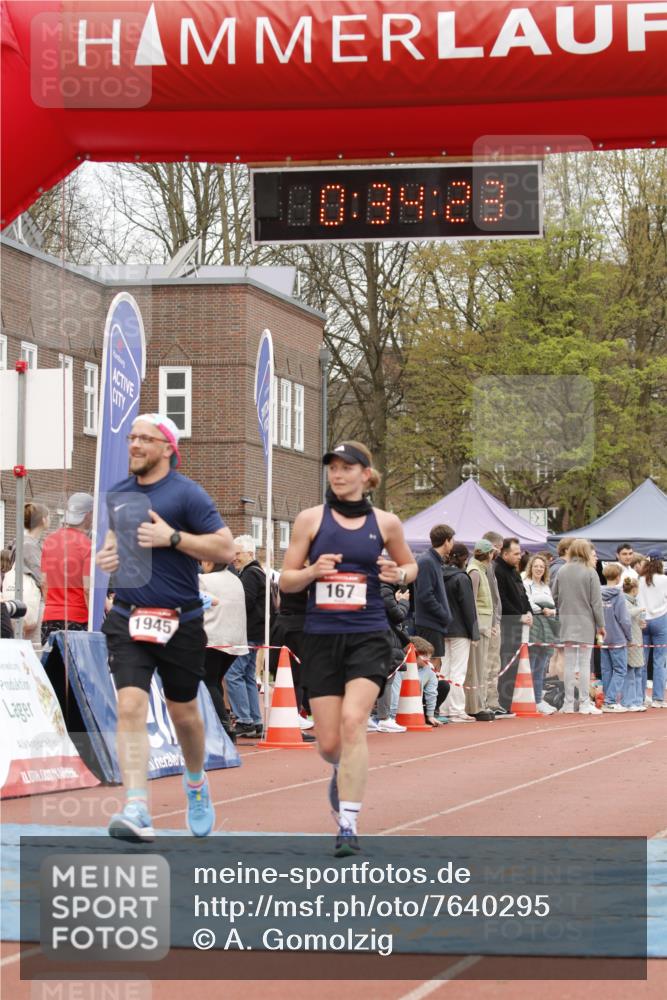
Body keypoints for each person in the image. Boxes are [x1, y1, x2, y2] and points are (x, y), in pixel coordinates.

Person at [95, 413, 234, 841]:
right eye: (132, 437)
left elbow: (225, 548)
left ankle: (196, 783)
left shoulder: (187, 494)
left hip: (180, 621)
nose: (134, 445)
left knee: (184, 714)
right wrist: (108, 556)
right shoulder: (119, 493)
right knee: (130, 707)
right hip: (128, 617)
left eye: (145, 439)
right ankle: (137, 806)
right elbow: (116, 543)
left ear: (168, 448)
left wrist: (173, 538)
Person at [280, 441, 417, 856]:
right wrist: (312, 572)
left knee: (355, 721)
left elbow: (411, 566)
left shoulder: (386, 523)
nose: (337, 475)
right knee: (329, 742)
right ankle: (341, 767)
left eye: (346, 468)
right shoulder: (310, 520)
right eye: (333, 468)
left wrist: (399, 575)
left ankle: (348, 824)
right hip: (321, 636)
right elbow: (285, 579)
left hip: (368, 633)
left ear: (365, 475)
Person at [551, 538, 604, 715]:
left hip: (566, 621)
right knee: (584, 664)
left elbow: (554, 596)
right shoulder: (590, 572)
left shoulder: (562, 570)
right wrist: (601, 625)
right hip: (585, 623)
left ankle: (568, 703)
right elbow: (596, 603)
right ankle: (584, 702)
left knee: (569, 663)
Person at [199, 560, 249, 743]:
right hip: (235, 640)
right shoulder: (236, 580)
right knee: (214, 680)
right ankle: (220, 725)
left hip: (213, 637)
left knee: (208, 682)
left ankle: (224, 726)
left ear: (209, 562)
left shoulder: (204, 580)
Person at [225, 535, 266, 738]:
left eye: (238, 553)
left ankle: (244, 719)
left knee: (233, 674)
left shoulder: (250, 574)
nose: (234, 557)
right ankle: (254, 720)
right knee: (248, 675)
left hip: (247, 632)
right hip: (255, 631)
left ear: (250, 553)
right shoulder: (258, 573)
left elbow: (245, 602)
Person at [41, 493, 93, 644]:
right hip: (78, 619)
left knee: (50, 660)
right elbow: (87, 589)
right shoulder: (87, 545)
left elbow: (44, 583)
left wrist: (53, 606)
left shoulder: (49, 541)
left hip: (50, 617)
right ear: (88, 515)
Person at [441, 543, 481, 723]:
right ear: (464, 558)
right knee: (458, 671)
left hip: (443, 628)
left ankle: (443, 707)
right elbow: (468, 608)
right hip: (460, 630)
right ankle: (456, 710)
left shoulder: (440, 575)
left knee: (444, 669)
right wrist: (474, 633)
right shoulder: (462, 578)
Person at [494, 538, 533, 710]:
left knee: (513, 665)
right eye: (516, 554)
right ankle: (501, 703)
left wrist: (529, 611)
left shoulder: (514, 571)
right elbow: (500, 600)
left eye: (520, 553)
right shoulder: (498, 570)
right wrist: (518, 617)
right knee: (505, 665)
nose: (519, 557)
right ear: (505, 554)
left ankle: (506, 703)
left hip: (517, 626)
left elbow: (523, 595)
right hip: (505, 626)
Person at [413, 524, 454, 670]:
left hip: (434, 623)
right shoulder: (427, 561)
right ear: (446, 541)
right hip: (429, 623)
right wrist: (444, 615)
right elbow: (425, 595)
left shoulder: (433, 560)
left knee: (435, 666)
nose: (453, 543)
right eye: (452, 540)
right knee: (431, 666)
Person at [523, 554, 558, 715]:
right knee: (532, 665)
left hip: (547, 627)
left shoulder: (546, 586)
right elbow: (529, 604)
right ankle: (530, 700)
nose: (538, 569)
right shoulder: (526, 583)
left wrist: (551, 611)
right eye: (536, 566)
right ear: (531, 567)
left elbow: (553, 606)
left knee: (542, 666)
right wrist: (544, 609)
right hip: (534, 627)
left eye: (541, 567)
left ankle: (538, 699)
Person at [466, 539, 496, 720]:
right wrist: (479, 628)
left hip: (483, 625)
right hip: (479, 627)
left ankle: (479, 703)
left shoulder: (480, 570)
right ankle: (474, 706)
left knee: (481, 667)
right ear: (488, 554)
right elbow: (472, 603)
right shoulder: (475, 572)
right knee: (476, 668)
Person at [482, 531, 509, 717]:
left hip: (493, 621)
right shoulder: (484, 567)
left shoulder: (490, 566)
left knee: (493, 664)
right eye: (498, 548)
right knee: (488, 664)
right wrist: (493, 622)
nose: (498, 552)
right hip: (489, 623)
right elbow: (489, 597)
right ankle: (487, 701)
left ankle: (492, 700)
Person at [599, 563, 632, 712]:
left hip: (602, 637)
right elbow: (624, 619)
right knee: (620, 670)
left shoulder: (597, 593)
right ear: (618, 577)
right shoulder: (619, 595)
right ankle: (610, 700)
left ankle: (607, 700)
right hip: (617, 638)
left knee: (606, 670)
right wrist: (629, 637)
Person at [637, 551, 667, 709]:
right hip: (660, 618)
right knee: (659, 661)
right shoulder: (664, 579)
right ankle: (658, 698)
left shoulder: (640, 579)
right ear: (661, 563)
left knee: (642, 661)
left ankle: (641, 696)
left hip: (643, 620)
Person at [622, 577, 647, 712]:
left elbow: (634, 618)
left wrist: (641, 622)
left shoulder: (634, 602)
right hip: (630, 641)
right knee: (630, 672)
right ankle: (629, 701)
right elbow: (627, 614)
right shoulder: (624, 601)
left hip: (637, 640)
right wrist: (640, 609)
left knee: (638, 671)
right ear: (634, 589)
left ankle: (637, 700)